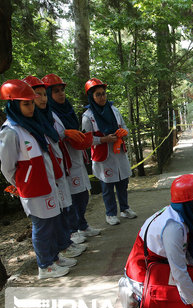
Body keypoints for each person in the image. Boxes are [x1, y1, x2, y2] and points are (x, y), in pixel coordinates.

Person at [0, 80, 73, 279]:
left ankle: (54, 257)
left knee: (54, 221)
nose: (31, 107)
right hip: (33, 187)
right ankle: (45, 265)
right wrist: (21, 183)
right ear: (14, 105)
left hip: (47, 182)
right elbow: (7, 167)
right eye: (26, 104)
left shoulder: (31, 124)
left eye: (31, 103)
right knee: (42, 226)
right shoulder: (10, 131)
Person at [119, 174, 193, 308]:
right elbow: (178, 270)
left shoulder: (179, 215)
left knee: (188, 288)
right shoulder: (173, 228)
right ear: (191, 204)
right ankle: (135, 296)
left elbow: (188, 251)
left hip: (159, 263)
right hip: (143, 274)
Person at [42, 73, 100, 240]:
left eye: (62, 90)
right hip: (64, 161)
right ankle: (72, 231)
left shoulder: (68, 108)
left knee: (82, 194)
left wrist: (81, 137)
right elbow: (50, 135)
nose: (61, 94)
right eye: (56, 91)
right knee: (70, 198)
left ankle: (82, 225)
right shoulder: (48, 113)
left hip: (76, 156)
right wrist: (63, 133)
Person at [81, 78, 137, 226]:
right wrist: (103, 140)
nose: (102, 97)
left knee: (123, 182)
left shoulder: (114, 110)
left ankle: (125, 209)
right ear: (91, 97)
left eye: (103, 93)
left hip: (119, 153)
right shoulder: (88, 116)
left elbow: (125, 127)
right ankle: (110, 213)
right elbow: (87, 140)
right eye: (98, 94)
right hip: (103, 157)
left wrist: (123, 132)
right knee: (107, 186)